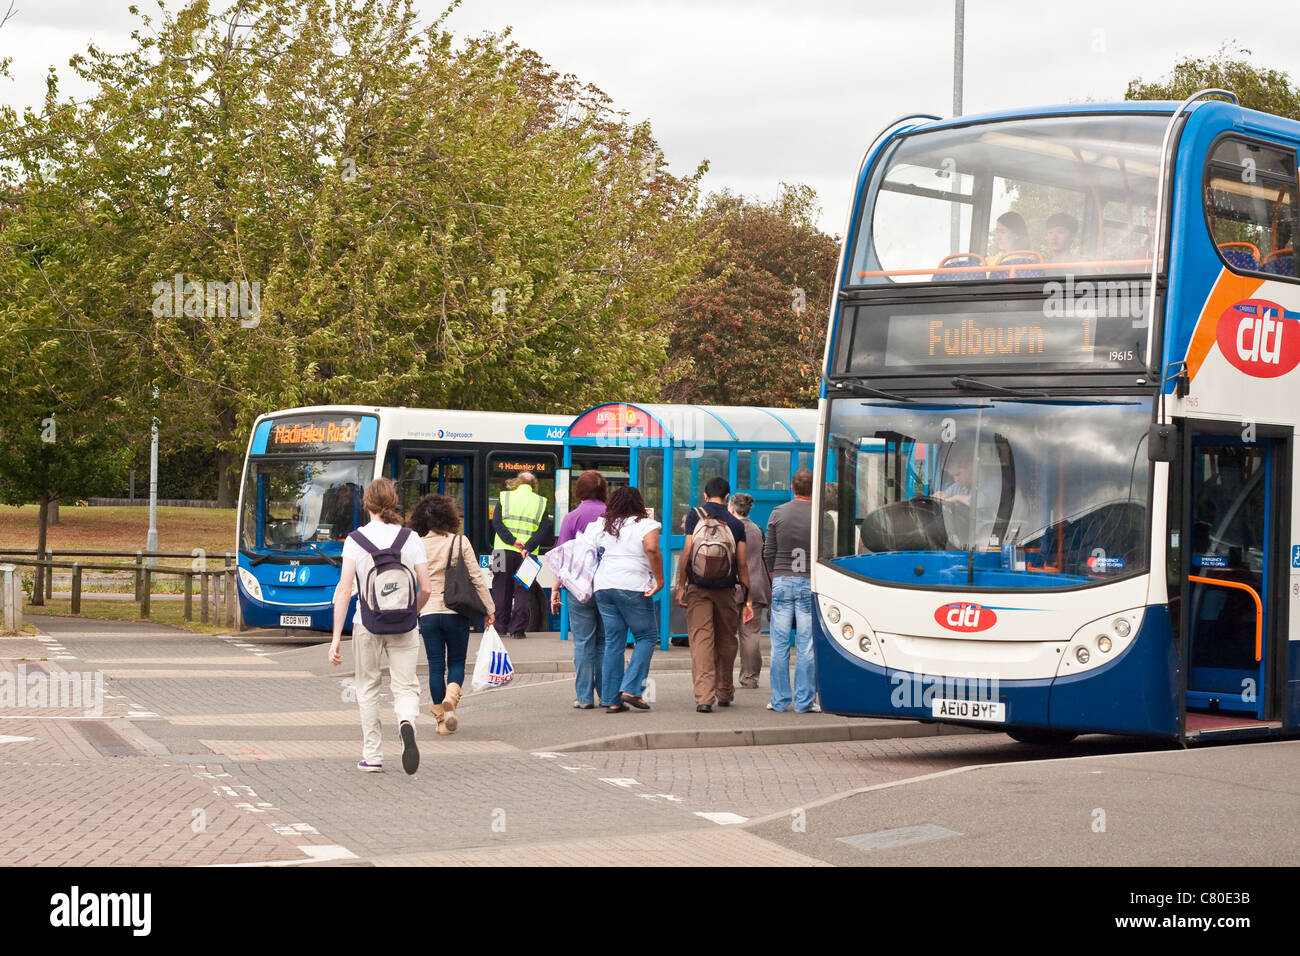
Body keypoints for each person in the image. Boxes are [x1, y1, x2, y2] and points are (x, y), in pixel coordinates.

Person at [329, 477, 431, 774]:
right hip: (405, 624)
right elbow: (425, 587)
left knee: (368, 687)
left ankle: (372, 755)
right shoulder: (410, 538)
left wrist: (336, 639)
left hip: (367, 623)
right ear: (393, 502)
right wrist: (413, 613)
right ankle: (406, 724)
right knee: (406, 685)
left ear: (367, 503)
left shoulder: (355, 540)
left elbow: (344, 590)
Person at [409, 493, 495, 736]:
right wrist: (489, 609)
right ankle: (451, 698)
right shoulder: (460, 542)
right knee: (457, 662)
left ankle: (441, 722)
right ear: (448, 516)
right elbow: (477, 578)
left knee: (435, 667)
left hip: (427, 612)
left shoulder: (417, 544)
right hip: (456, 611)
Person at [581, 486, 663, 714]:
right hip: (632, 586)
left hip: (604, 586)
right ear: (638, 503)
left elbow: (585, 551)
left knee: (613, 642)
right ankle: (632, 688)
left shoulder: (601, 525)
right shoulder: (646, 524)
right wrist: (660, 579)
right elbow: (652, 549)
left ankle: (611, 699)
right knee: (646, 636)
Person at [676, 477, 752, 714]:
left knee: (701, 641)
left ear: (705, 496)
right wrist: (747, 597)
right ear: (728, 497)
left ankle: (704, 698)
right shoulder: (736, 524)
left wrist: (681, 586)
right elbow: (742, 565)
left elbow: (687, 553)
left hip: (698, 589)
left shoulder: (694, 516)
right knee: (727, 641)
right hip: (726, 591)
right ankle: (725, 691)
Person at [550, 469, 608, 709]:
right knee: (605, 642)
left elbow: (562, 557)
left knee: (583, 642)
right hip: (607, 586)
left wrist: (555, 588)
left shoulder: (572, 517)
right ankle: (606, 694)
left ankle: (584, 697)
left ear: (579, 491)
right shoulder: (612, 515)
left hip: (578, 588)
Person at [764, 468, 820, 714]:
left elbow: (768, 551)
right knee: (807, 645)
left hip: (783, 580)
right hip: (809, 581)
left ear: (792, 487)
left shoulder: (778, 513)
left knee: (779, 644)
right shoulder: (821, 516)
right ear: (813, 488)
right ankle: (804, 701)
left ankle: (779, 700)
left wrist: (774, 575)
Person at [490, 470, 551, 640]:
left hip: (501, 551)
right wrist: (528, 546)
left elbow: (496, 523)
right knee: (524, 591)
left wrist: (512, 541)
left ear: (517, 482)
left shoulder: (505, 497)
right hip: (529, 555)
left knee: (500, 589)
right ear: (534, 485)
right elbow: (543, 529)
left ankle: (500, 627)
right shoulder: (541, 502)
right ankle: (517, 630)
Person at [728, 493, 770, 690]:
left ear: (732, 508)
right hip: (755, 586)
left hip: (732, 587)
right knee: (751, 634)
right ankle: (750, 678)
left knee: (727, 634)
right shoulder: (757, 529)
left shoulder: (728, 528)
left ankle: (725, 677)